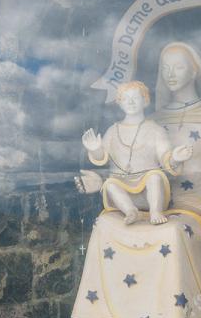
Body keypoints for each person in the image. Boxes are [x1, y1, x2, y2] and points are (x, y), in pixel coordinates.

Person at [71, 42, 201, 318]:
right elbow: (124, 166)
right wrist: (102, 180)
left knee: (172, 234)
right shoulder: (150, 120)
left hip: (190, 212)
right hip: (145, 204)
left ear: (195, 70)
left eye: (179, 66)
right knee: (105, 226)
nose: (171, 74)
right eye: (165, 68)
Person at [81, 81, 193, 225]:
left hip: (149, 192)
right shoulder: (113, 131)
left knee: (154, 175)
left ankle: (155, 212)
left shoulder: (155, 130)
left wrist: (176, 159)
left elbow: (165, 157)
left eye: (136, 97)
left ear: (145, 101)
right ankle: (130, 211)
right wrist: (95, 149)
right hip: (122, 193)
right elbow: (102, 157)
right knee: (109, 184)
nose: (131, 102)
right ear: (119, 103)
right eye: (125, 98)